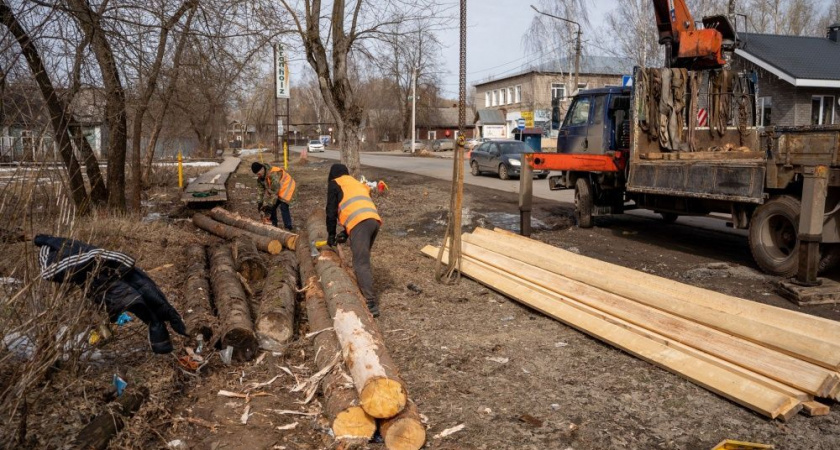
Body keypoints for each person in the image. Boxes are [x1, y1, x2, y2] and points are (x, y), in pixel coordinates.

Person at [34, 234, 187, 354]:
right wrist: (97, 259)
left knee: (148, 301)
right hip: (105, 275)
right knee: (141, 302)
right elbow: (49, 272)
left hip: (110, 274)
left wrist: (103, 261)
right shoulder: (52, 253)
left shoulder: (69, 246)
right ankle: (160, 336)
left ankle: (161, 336)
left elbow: (119, 259)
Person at [326, 163, 382, 317]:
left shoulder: (335, 183)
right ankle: (363, 286)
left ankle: (370, 303)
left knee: (360, 263)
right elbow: (358, 206)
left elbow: (330, 211)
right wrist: (345, 232)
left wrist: (331, 234)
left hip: (361, 223)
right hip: (373, 221)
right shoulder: (355, 183)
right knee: (362, 257)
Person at [252, 161, 296, 230]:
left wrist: (269, 205)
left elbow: (274, 192)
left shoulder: (273, 174)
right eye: (257, 174)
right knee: (272, 206)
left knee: (283, 207)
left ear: (262, 169)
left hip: (287, 187)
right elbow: (260, 191)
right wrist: (259, 203)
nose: (258, 175)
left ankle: (288, 227)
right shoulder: (260, 179)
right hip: (277, 190)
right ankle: (274, 225)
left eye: (258, 173)